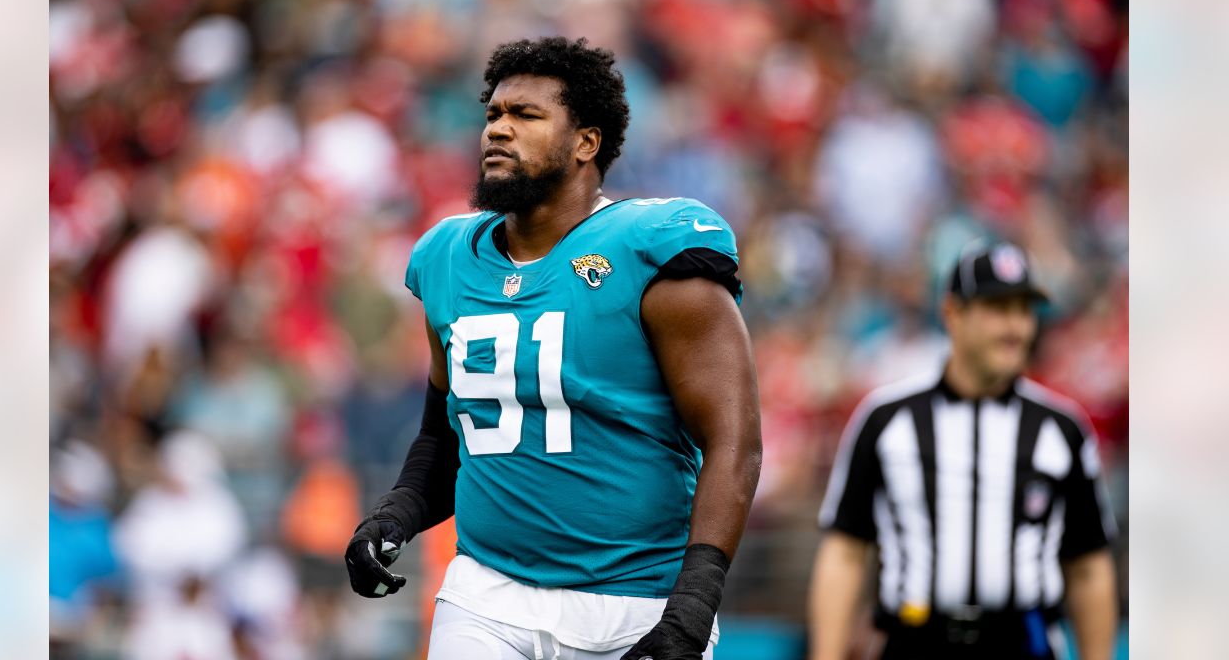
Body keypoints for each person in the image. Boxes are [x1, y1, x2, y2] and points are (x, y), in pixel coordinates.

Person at [344, 36, 762, 660]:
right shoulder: (447, 259)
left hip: (634, 604)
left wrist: (695, 601)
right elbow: (448, 432)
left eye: (525, 116)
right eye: (493, 115)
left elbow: (734, 438)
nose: (498, 131)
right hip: (487, 597)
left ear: (586, 143)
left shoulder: (648, 252)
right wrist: (395, 514)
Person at [808, 243, 1117, 660]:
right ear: (952, 313)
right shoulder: (886, 420)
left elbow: (1088, 567)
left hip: (1024, 643)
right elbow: (845, 551)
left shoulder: (1061, 429)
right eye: (997, 309)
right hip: (914, 641)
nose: (1016, 327)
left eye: (1024, 310)